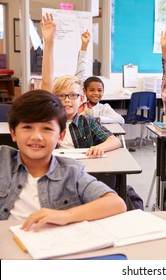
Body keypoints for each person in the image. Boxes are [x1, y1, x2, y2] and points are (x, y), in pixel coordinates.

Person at [1, 90, 126, 231]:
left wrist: (66, 215)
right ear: (13, 133)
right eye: (27, 127)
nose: (36, 136)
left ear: (60, 136)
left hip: (51, 246)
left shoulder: (71, 172)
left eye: (46, 129)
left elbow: (117, 203)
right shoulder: (3, 160)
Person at [40, 13, 122, 158]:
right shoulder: (49, 119)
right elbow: (46, 81)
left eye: (72, 95)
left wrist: (99, 148)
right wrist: (49, 42)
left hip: (81, 171)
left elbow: (115, 141)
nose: (67, 99)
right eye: (61, 95)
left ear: (81, 98)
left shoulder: (88, 122)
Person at [74, 32, 125, 124]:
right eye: (92, 90)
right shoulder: (78, 102)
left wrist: (98, 119)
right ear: (84, 91)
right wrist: (84, 45)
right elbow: (80, 70)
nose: (96, 93)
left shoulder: (103, 108)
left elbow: (121, 120)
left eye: (99, 90)